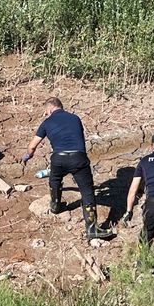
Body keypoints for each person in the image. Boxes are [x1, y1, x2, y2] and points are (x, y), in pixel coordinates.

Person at [22, 97, 113, 241]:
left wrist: (28, 155)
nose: (45, 114)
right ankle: (91, 228)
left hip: (59, 159)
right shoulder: (75, 118)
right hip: (78, 158)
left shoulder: (46, 122)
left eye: (46, 111)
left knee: (55, 180)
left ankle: (55, 205)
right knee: (87, 191)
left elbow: (32, 146)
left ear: (50, 109)